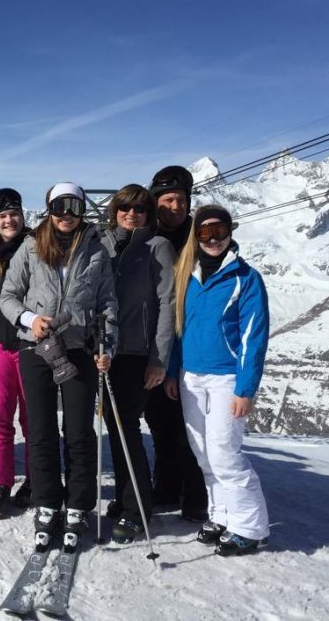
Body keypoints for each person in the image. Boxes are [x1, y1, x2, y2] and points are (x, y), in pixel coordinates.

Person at [0, 182, 116, 549]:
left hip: (80, 348)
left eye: (74, 207)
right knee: (41, 429)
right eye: (59, 207)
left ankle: (78, 504)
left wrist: (107, 344)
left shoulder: (97, 250)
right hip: (37, 347)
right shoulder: (31, 247)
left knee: (80, 430)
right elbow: (8, 295)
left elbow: (108, 304)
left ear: (83, 210)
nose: (66, 214)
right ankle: (48, 499)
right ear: (49, 210)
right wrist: (29, 319)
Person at [164, 205, 271, 556]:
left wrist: (246, 388)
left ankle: (250, 527)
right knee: (204, 454)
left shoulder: (245, 278)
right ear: (196, 235)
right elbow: (181, 330)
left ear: (230, 232)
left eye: (220, 232)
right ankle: (221, 515)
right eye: (206, 233)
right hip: (190, 377)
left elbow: (253, 337)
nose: (213, 239)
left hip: (227, 378)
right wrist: (172, 372)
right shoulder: (187, 275)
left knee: (225, 453)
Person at [100, 184, 175, 542]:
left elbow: (166, 303)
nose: (133, 214)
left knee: (126, 426)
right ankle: (126, 498)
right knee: (115, 425)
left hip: (136, 350)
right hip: (104, 351)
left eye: (141, 208)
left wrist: (159, 358)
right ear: (115, 210)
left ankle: (136, 509)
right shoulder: (102, 243)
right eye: (126, 207)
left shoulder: (156, 247)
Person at [145, 165, 208, 521]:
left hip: (189, 341)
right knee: (160, 419)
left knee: (189, 423)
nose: (175, 206)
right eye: (168, 199)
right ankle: (167, 486)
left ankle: (195, 494)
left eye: (181, 200)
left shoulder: (199, 239)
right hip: (152, 340)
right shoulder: (144, 235)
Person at [0, 188, 32, 518]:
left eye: (13, 213)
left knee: (34, 417)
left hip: (32, 343)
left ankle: (37, 478)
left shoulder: (40, 247)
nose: (8, 220)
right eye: (1, 216)